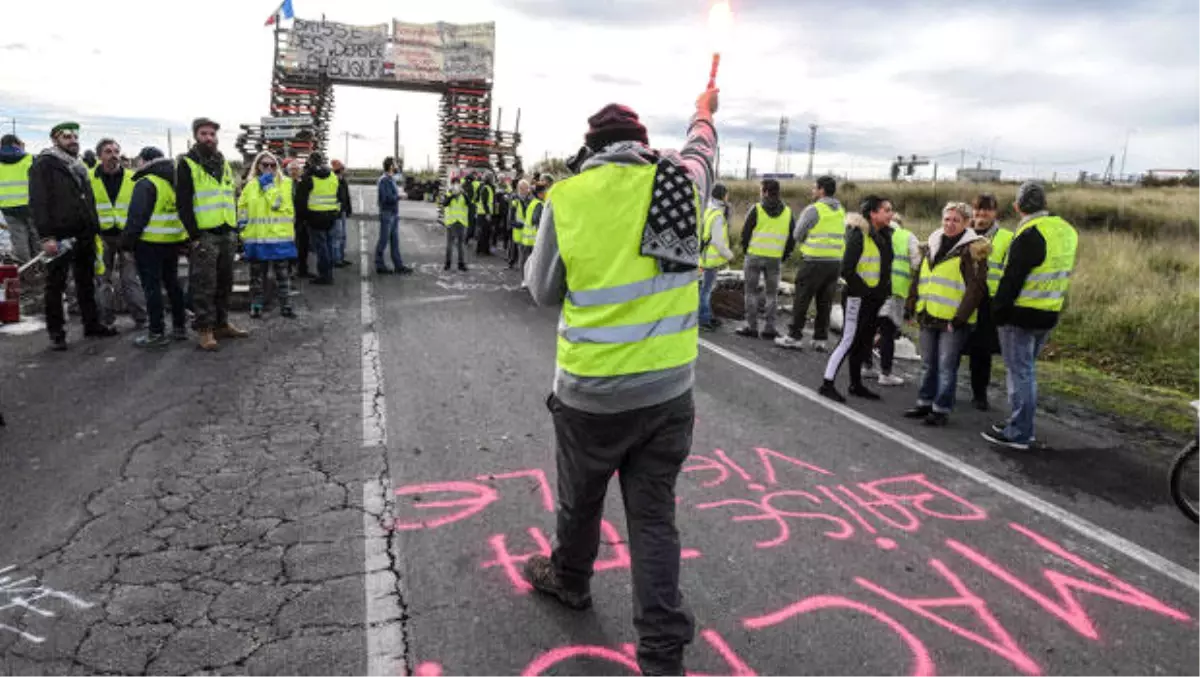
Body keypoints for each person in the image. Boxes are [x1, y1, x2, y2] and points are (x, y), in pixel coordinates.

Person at [523, 90, 718, 677]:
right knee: (654, 520)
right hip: (666, 393)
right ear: (642, 144)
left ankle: (572, 580)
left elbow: (541, 290)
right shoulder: (678, 184)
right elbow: (701, 149)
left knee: (581, 501)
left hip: (591, 394)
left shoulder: (568, 196)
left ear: (591, 150)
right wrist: (704, 108)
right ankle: (662, 656)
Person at [982, 182, 1077, 450]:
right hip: (1049, 311)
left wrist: (998, 311)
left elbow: (1012, 278)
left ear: (1017, 207)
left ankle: (1020, 432)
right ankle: (1018, 422)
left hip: (1020, 315)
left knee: (1021, 373)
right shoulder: (1066, 230)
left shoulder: (1029, 234)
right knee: (1025, 371)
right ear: (1045, 204)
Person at [28, 122, 118, 350]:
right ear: (55, 140)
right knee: (56, 284)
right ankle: (57, 332)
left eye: (75, 136)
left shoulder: (78, 166)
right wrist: (46, 236)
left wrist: (94, 226)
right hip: (59, 234)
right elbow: (39, 201)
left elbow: (87, 199)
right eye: (67, 136)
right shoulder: (45, 164)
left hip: (84, 232)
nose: (73, 140)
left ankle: (92, 324)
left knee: (86, 281)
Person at [903, 202, 990, 425]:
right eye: (947, 219)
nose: (950, 224)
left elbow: (976, 289)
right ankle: (924, 402)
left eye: (956, 220)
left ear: (967, 223)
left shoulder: (973, 250)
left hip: (952, 320)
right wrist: (912, 302)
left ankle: (940, 409)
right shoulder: (933, 243)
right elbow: (920, 276)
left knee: (946, 366)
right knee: (927, 363)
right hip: (928, 313)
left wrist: (959, 319)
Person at [177, 117, 248, 351]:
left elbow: (230, 197)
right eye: (204, 134)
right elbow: (183, 203)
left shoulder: (223, 163)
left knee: (225, 281)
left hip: (226, 231)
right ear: (196, 136)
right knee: (204, 284)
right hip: (205, 234)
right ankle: (205, 330)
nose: (209, 138)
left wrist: (235, 230)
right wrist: (194, 236)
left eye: (212, 134)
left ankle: (221, 323)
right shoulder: (188, 163)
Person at [818, 195, 894, 403]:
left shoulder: (884, 235)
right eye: (886, 210)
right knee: (848, 340)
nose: (890, 214)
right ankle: (827, 383)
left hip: (873, 300)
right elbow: (847, 269)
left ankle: (856, 384)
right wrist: (865, 290)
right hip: (857, 298)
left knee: (863, 342)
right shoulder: (858, 234)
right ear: (872, 213)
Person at [120, 147, 188, 348]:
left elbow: (136, 218)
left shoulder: (147, 183)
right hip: (172, 241)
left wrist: (127, 244)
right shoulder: (173, 183)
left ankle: (156, 332)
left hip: (149, 243)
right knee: (173, 285)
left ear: (144, 161)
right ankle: (179, 327)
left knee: (152, 288)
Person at [775, 175, 845, 351]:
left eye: (815, 188)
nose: (812, 191)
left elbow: (798, 234)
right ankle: (820, 339)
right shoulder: (840, 210)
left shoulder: (814, 210)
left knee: (802, 299)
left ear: (821, 190)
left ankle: (794, 336)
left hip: (814, 261)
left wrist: (809, 241)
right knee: (825, 302)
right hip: (835, 263)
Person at [90, 138, 148, 330]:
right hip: (100, 236)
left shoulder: (133, 178)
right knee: (102, 279)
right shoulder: (89, 178)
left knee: (130, 279)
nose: (113, 155)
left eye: (116, 151)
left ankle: (141, 318)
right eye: (108, 151)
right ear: (99, 156)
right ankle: (106, 319)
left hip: (127, 236)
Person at [964, 193, 1013, 410]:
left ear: (995, 213)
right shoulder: (963, 234)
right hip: (960, 298)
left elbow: (1010, 272)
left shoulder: (1006, 238)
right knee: (953, 347)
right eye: (978, 210)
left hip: (987, 301)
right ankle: (943, 389)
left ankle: (979, 394)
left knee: (981, 351)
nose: (982, 215)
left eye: (987, 210)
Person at [238, 151, 297, 319]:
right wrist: (242, 229)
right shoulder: (250, 185)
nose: (269, 168)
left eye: (272, 165)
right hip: (257, 238)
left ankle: (286, 306)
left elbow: (279, 205)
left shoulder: (285, 184)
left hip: (279, 238)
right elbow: (242, 208)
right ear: (258, 166)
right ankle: (256, 306)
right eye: (265, 165)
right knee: (256, 277)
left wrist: (269, 186)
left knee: (282, 276)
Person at [735, 179, 794, 340]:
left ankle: (751, 327)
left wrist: (747, 251)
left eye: (761, 190)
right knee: (771, 294)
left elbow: (745, 233)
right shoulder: (788, 212)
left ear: (766, 192)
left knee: (751, 293)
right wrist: (784, 255)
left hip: (754, 256)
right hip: (775, 259)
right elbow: (792, 239)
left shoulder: (757, 209)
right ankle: (769, 328)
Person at [871, 213, 920, 386]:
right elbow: (917, 263)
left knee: (869, 328)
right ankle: (885, 373)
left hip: (873, 288)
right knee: (887, 332)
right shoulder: (907, 236)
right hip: (895, 290)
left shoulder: (873, 232)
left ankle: (866, 365)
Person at [295, 151, 339, 285]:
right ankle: (329, 273)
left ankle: (325, 275)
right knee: (329, 245)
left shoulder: (309, 176)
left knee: (321, 248)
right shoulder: (332, 175)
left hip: (315, 217)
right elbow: (337, 194)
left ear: (310, 162)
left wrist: (301, 218)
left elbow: (301, 200)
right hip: (331, 215)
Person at [699, 183, 734, 331]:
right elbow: (718, 241)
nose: (728, 197)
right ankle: (704, 319)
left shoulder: (708, 209)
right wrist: (729, 255)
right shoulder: (718, 215)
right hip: (711, 258)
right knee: (706, 290)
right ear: (723, 196)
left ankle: (706, 316)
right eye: (727, 194)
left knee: (705, 288)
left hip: (705, 256)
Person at [0, 134, 37, 264]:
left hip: (7, 206)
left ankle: (26, 268)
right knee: (35, 234)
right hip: (30, 205)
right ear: (16, 144)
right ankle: (40, 265)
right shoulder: (29, 158)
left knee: (18, 238)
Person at [375, 157, 412, 275]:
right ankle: (379, 265)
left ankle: (398, 265)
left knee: (395, 241)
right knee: (384, 240)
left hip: (393, 213)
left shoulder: (391, 179)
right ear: (391, 166)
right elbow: (386, 198)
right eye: (395, 164)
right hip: (387, 213)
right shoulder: (384, 180)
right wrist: (399, 196)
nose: (397, 166)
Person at [288, 159, 311, 279]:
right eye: (292, 169)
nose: (294, 172)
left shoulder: (305, 182)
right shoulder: (285, 183)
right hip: (288, 220)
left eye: (296, 169)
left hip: (302, 218)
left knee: (303, 245)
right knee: (291, 245)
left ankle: (303, 269)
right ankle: (290, 270)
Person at [441, 179, 470, 272]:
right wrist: (452, 195)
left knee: (461, 244)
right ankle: (447, 263)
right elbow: (445, 204)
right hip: (451, 222)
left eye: (458, 185)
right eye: (455, 184)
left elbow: (469, 204)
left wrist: (463, 193)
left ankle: (461, 264)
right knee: (449, 244)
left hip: (461, 222)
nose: (456, 187)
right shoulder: (448, 194)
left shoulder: (464, 195)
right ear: (452, 185)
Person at [331, 159, 353, 268]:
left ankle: (340, 257)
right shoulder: (333, 181)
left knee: (342, 236)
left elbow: (346, 197)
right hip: (337, 213)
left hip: (342, 211)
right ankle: (336, 259)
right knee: (337, 236)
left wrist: (348, 209)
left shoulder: (342, 181)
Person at [507, 179, 532, 270]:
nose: (527, 191)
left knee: (524, 254)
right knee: (518, 251)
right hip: (518, 230)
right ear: (520, 189)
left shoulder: (530, 200)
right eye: (525, 189)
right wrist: (517, 225)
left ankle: (524, 269)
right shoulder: (515, 200)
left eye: (527, 188)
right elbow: (511, 218)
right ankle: (515, 265)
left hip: (528, 232)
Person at [475, 174, 496, 255]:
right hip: (484, 213)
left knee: (485, 232)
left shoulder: (487, 187)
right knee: (484, 233)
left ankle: (483, 249)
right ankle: (482, 250)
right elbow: (484, 202)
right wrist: (488, 213)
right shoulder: (486, 188)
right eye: (492, 178)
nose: (493, 180)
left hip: (483, 213)